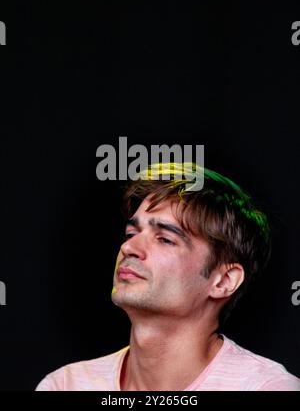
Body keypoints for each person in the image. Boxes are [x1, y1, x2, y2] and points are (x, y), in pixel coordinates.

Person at [36, 163, 300, 391]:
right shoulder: (65, 384)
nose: (129, 248)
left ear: (224, 281)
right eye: (131, 234)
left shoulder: (266, 387)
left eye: (165, 239)